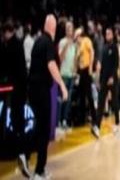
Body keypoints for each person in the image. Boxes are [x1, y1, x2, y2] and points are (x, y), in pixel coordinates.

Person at [28, 14, 68, 180]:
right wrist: (62, 86)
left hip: (32, 90)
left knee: (37, 128)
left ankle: (26, 155)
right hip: (42, 91)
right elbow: (51, 65)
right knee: (44, 130)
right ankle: (39, 171)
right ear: (52, 27)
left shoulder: (38, 41)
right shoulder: (48, 43)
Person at [1, 19, 31, 177]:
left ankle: (22, 153)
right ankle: (22, 153)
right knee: (17, 121)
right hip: (19, 88)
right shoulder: (15, 43)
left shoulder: (13, 45)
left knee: (17, 121)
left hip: (17, 89)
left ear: (8, 32)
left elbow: (8, 65)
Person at [95, 27, 120, 136]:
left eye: (109, 33)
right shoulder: (104, 48)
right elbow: (102, 65)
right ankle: (97, 126)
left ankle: (117, 123)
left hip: (112, 78)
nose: (107, 35)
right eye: (106, 33)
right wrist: (100, 80)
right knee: (101, 102)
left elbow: (116, 64)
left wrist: (112, 77)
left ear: (112, 35)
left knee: (114, 102)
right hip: (104, 79)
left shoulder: (114, 47)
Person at [75, 26, 98, 137]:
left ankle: (94, 119)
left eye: (76, 37)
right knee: (82, 95)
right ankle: (82, 119)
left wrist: (90, 67)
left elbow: (92, 52)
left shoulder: (86, 40)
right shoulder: (79, 46)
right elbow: (78, 59)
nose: (76, 39)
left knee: (89, 95)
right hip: (81, 71)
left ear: (79, 36)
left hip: (86, 70)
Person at [57, 20, 77, 129]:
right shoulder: (62, 42)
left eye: (71, 29)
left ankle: (64, 120)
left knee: (68, 100)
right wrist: (66, 46)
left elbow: (74, 59)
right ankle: (58, 121)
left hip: (71, 75)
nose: (70, 31)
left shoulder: (74, 44)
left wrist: (75, 70)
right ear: (65, 31)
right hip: (63, 74)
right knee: (61, 98)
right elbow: (60, 58)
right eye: (68, 29)